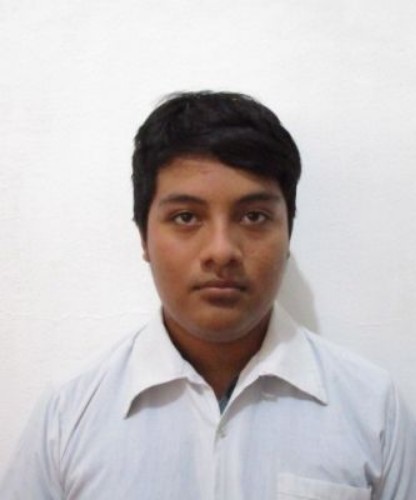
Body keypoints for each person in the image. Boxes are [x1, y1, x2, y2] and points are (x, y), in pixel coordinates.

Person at [1, 91, 415, 499]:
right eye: (186, 217)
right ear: (144, 238)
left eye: (254, 216)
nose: (221, 251)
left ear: (289, 233)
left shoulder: (373, 410)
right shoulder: (69, 414)